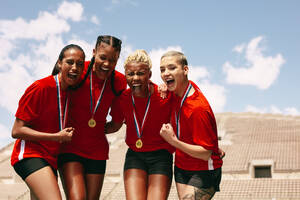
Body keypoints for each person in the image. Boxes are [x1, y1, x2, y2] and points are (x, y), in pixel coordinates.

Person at [10, 44, 85, 200]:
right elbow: (16, 131)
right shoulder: (40, 87)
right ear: (59, 63)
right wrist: (56, 137)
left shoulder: (70, 92)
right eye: (70, 62)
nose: (75, 67)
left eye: (79, 64)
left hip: (50, 158)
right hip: (30, 154)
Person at [58, 35, 127, 200]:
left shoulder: (118, 81)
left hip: (96, 151)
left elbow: (117, 123)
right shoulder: (79, 70)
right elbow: (55, 93)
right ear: (94, 52)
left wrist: (95, 129)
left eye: (113, 60)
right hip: (70, 147)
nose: (107, 64)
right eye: (103, 57)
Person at [105, 49, 174, 200]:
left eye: (140, 73)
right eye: (130, 74)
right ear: (125, 75)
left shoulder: (165, 96)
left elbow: (185, 120)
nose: (135, 78)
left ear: (149, 74)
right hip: (135, 156)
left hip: (161, 156)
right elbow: (115, 125)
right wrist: (86, 129)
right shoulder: (122, 99)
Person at [159, 51, 223, 200]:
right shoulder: (177, 90)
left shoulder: (198, 107)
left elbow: (205, 153)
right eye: (162, 70)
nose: (166, 73)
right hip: (181, 166)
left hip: (203, 169)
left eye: (172, 68)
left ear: (185, 70)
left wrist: (173, 141)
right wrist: (165, 88)